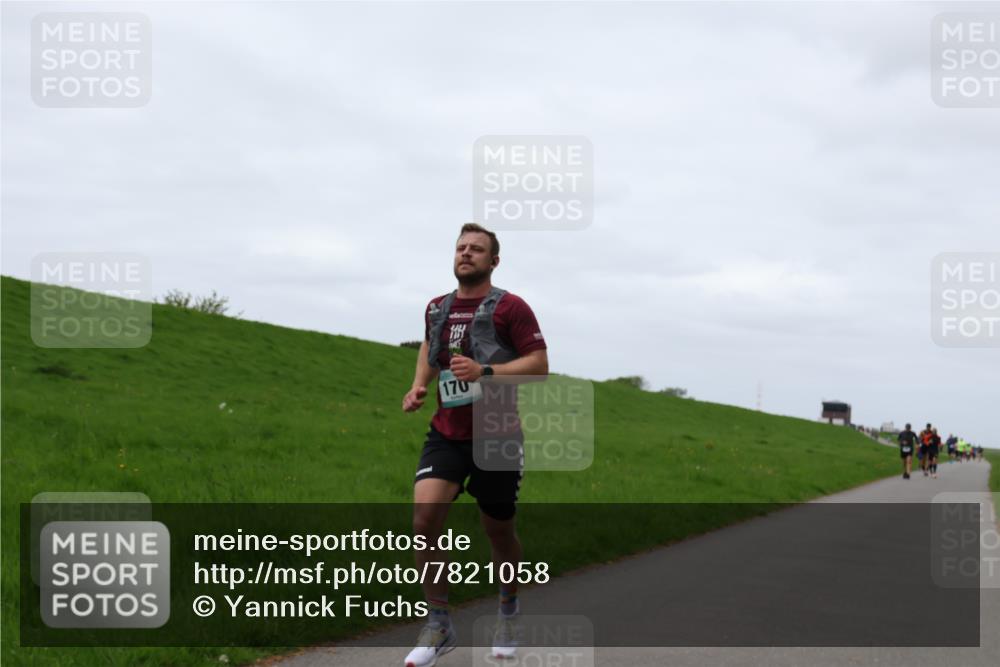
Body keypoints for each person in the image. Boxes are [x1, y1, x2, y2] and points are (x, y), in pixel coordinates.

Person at [401, 223, 548, 667]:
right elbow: (431, 345)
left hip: (498, 433)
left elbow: (539, 366)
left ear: (493, 261)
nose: (466, 254)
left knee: (498, 530)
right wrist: (418, 386)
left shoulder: (512, 308)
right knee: (425, 518)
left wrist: (485, 373)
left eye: (477, 249)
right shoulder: (436, 307)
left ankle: (507, 610)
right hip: (447, 431)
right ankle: (439, 624)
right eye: (461, 247)